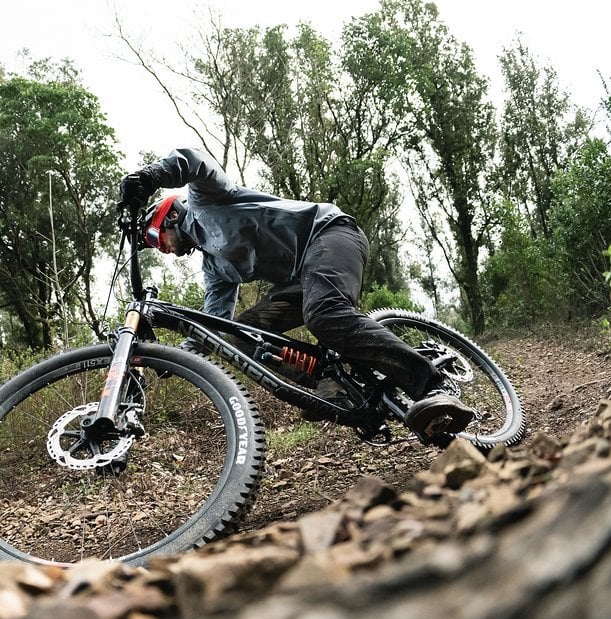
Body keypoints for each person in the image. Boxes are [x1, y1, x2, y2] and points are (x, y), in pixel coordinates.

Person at [118, 147, 474, 439]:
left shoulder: (206, 199)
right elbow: (216, 323)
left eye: (155, 238)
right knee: (239, 338)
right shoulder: (215, 267)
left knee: (323, 314)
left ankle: (432, 386)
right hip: (300, 281)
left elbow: (192, 161)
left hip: (330, 236)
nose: (160, 248)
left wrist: (150, 177)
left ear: (171, 216)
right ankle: (330, 381)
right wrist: (180, 358)